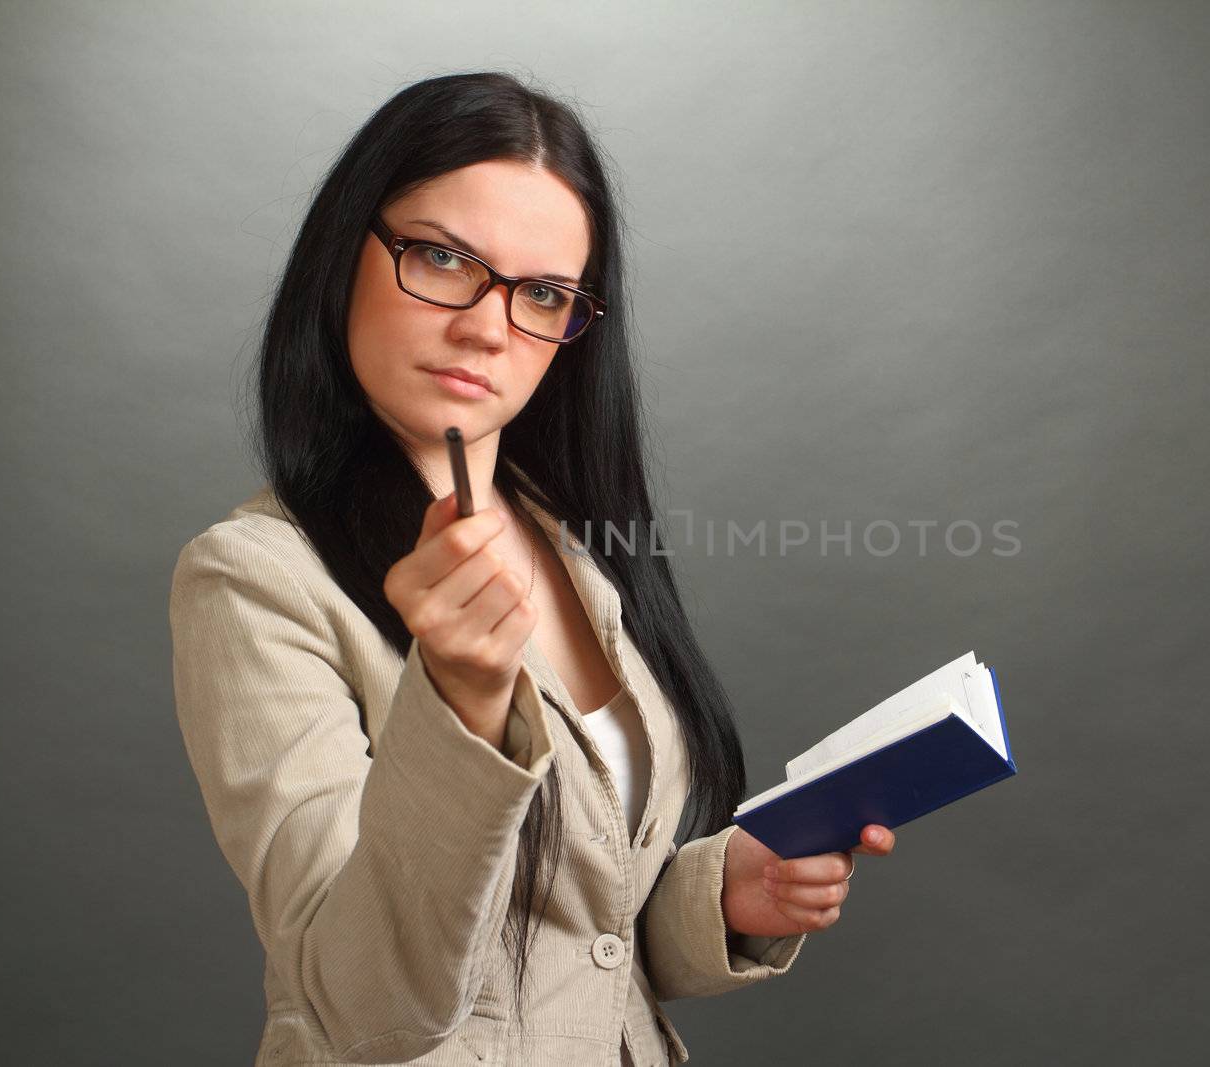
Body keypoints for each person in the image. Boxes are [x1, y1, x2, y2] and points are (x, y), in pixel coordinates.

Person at [168, 71, 897, 1066]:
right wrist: (458, 702)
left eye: (544, 294)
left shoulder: (569, 542)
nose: (486, 326)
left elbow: (569, 935)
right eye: (440, 257)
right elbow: (360, 998)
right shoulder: (255, 578)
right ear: (345, 254)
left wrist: (726, 893)